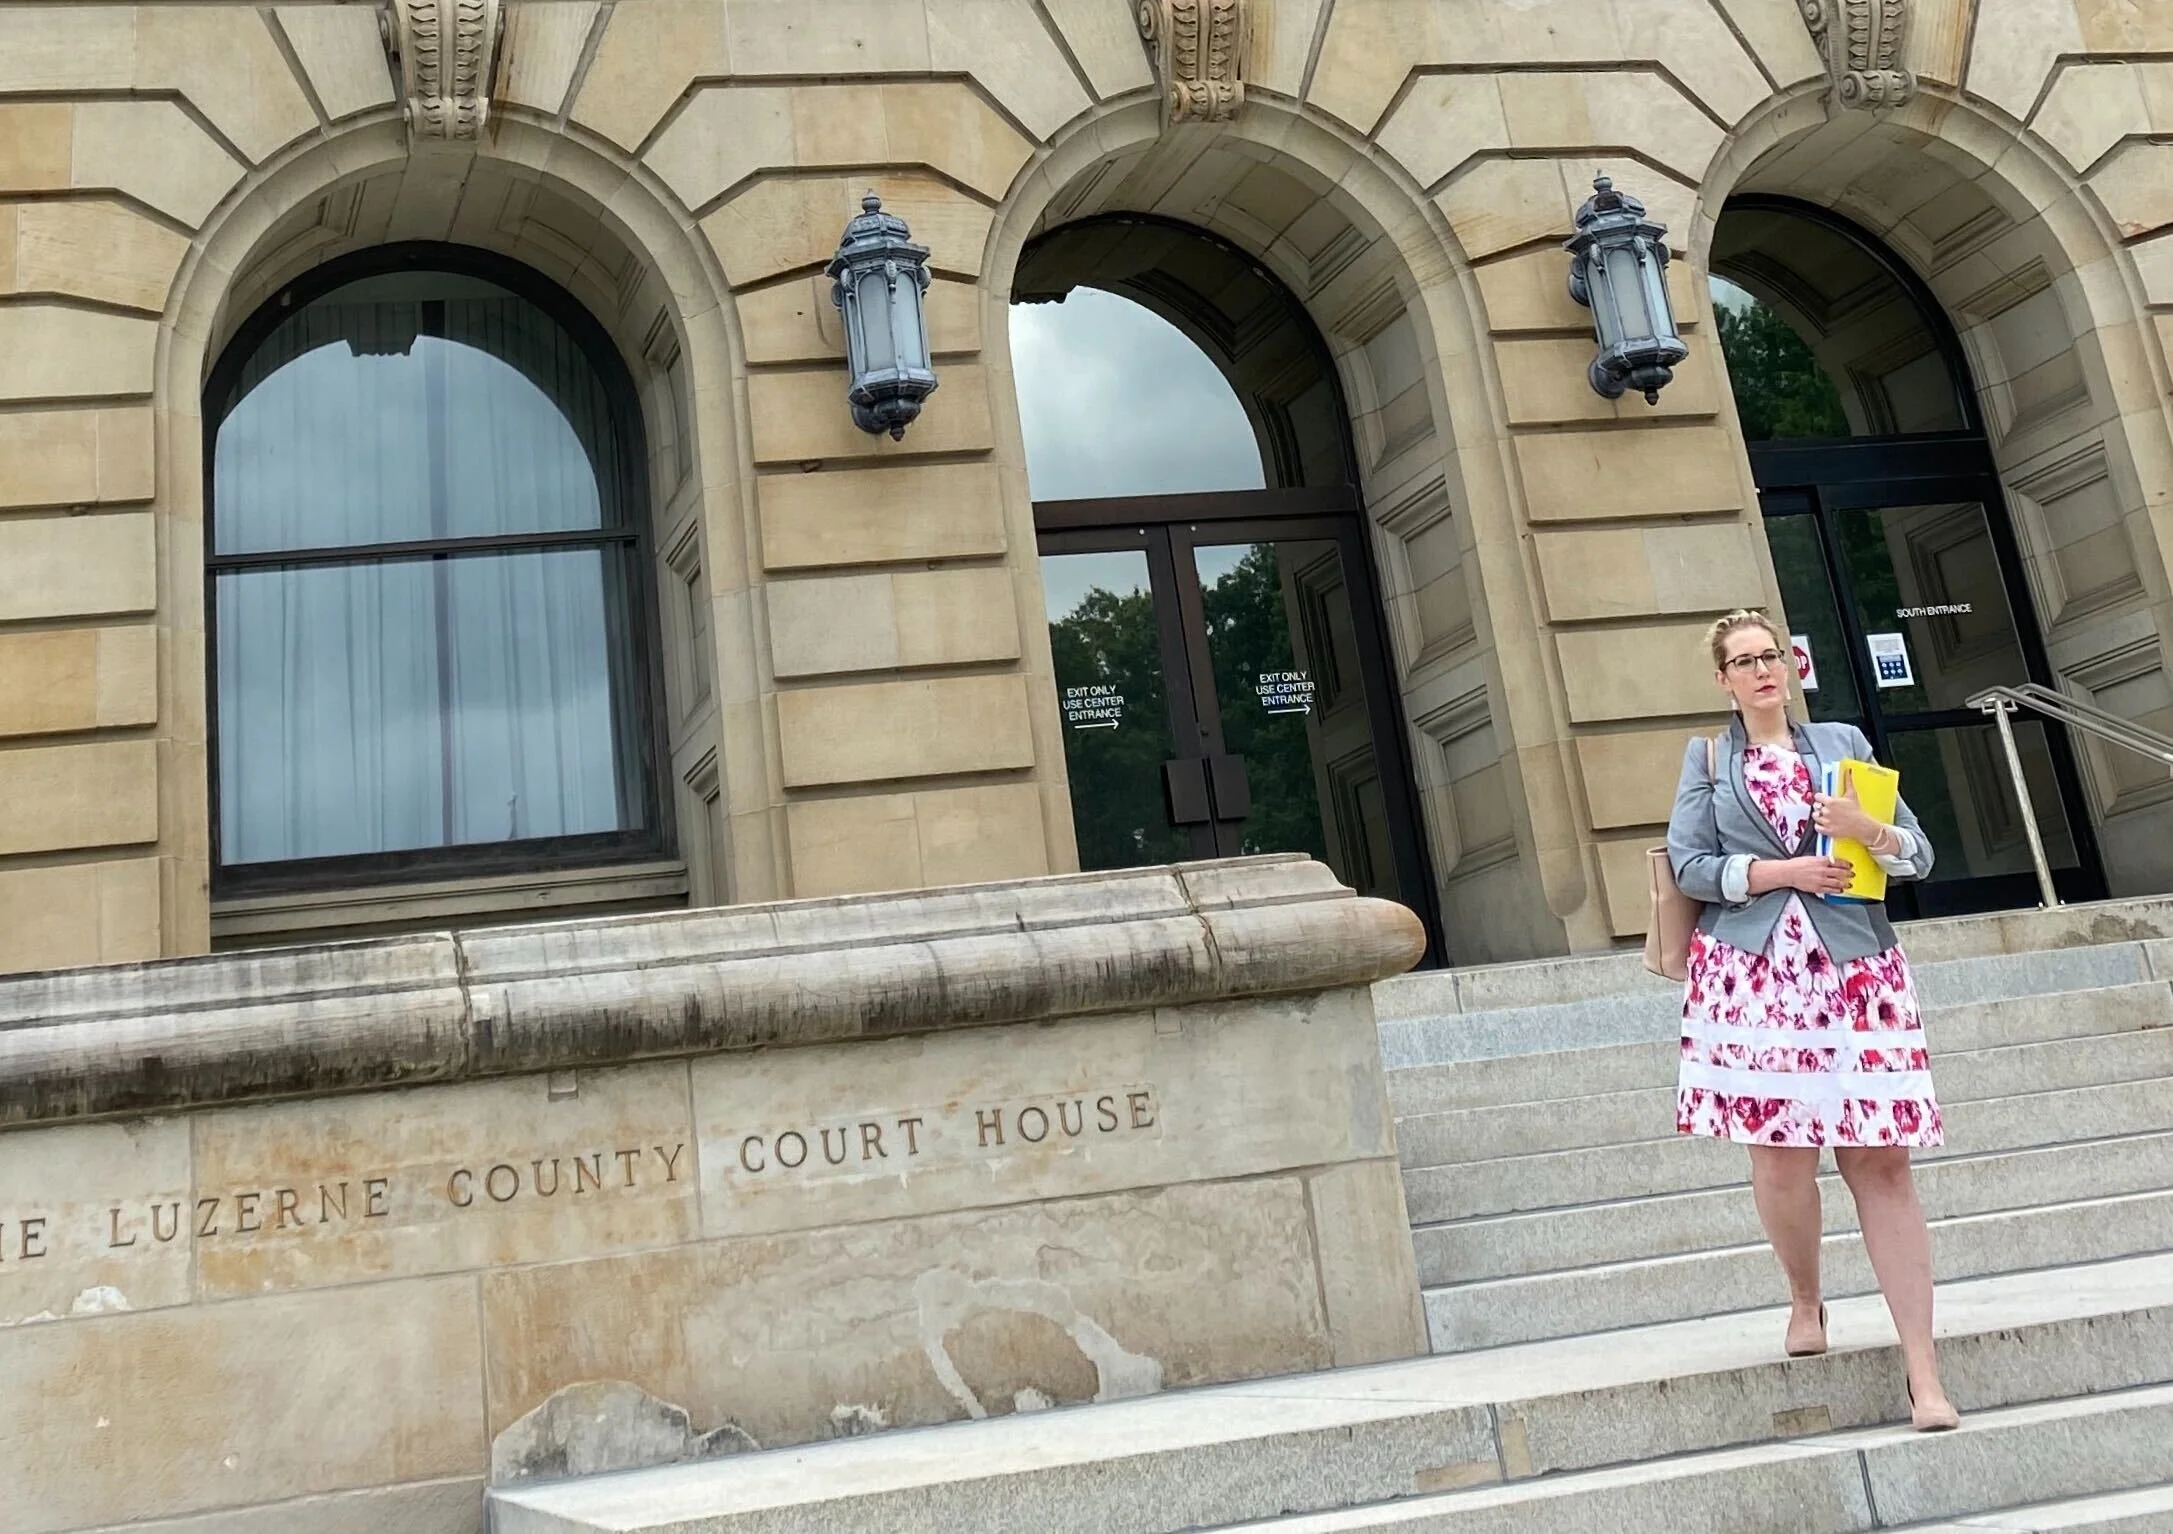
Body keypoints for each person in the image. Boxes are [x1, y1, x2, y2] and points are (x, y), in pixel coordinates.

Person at [1666, 609, 1959, 1432]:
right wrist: (1778, 870)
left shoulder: (1842, 743)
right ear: (1722, 679)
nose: (1764, 671)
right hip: (1753, 979)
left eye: (1773, 656)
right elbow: (1687, 863)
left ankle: (1923, 1375)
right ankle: (1805, 1298)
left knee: (1883, 1163)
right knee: (1783, 1160)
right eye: (1745, 661)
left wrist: (1870, 832)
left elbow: (1919, 852)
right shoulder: (1708, 759)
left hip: (1857, 972)